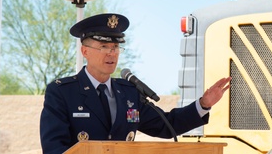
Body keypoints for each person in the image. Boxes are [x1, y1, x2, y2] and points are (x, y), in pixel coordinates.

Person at [40, 13, 231, 154]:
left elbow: (166, 126)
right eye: (104, 46)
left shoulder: (129, 93)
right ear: (85, 51)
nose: (111, 53)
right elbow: (53, 148)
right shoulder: (62, 92)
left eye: (115, 47)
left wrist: (203, 104)